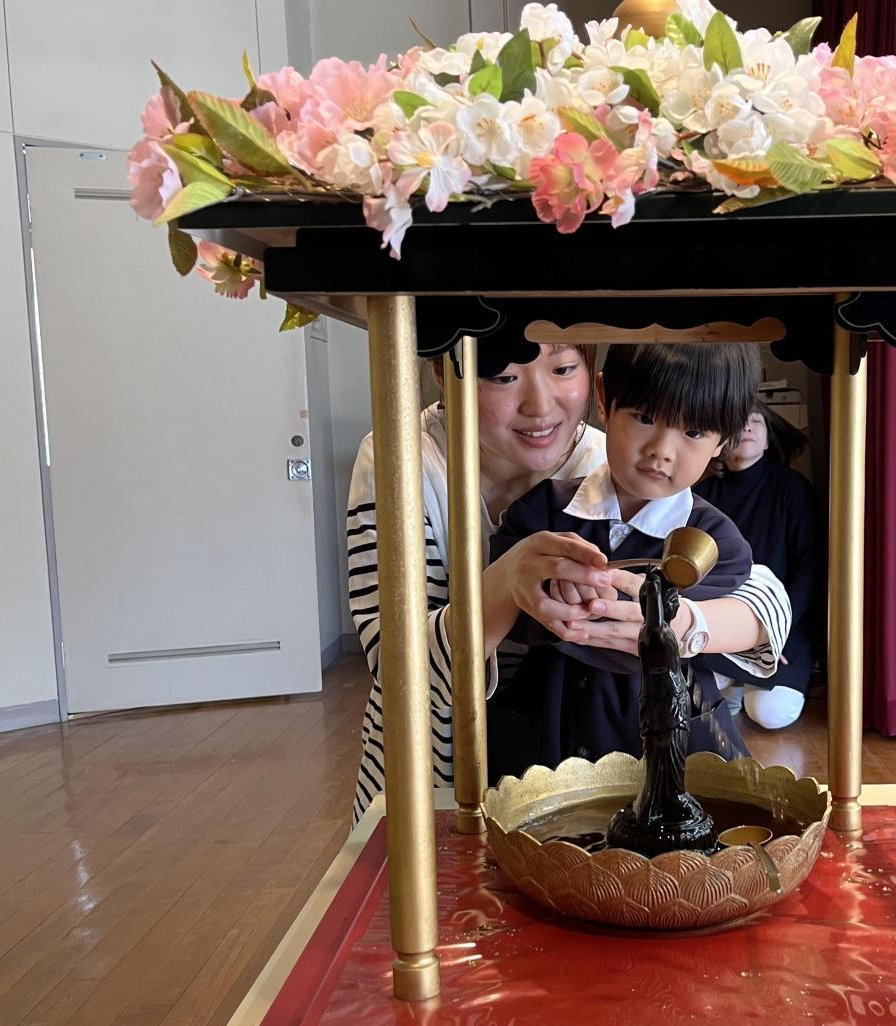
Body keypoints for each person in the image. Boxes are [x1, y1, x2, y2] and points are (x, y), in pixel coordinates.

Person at [346, 334, 792, 822]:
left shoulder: (619, 462)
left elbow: (761, 596)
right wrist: (515, 585)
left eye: (562, 370)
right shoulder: (404, 463)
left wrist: (692, 625)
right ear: (443, 373)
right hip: (441, 765)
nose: (540, 407)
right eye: (504, 376)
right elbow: (399, 668)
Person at [486, 343, 758, 779]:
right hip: (549, 734)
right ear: (604, 399)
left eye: (692, 432)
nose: (661, 450)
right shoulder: (540, 512)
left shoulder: (714, 540)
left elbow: (720, 626)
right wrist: (545, 595)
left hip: (676, 739)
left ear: (723, 440)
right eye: (645, 417)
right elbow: (509, 617)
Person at [697, 401, 822, 731]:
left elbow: (809, 567)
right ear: (721, 442)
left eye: (756, 421)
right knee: (696, 702)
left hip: (784, 623)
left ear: (768, 440)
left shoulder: (792, 488)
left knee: (770, 713)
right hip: (721, 624)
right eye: (739, 422)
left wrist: (774, 631)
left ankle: (739, 686)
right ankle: (733, 685)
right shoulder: (703, 494)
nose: (748, 427)